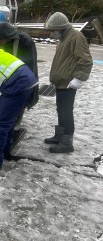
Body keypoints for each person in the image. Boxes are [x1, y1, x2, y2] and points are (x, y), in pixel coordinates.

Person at [43, 12, 93, 153]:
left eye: (52, 31)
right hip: (61, 81)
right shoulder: (64, 38)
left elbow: (85, 60)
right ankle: (60, 136)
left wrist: (78, 78)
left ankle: (67, 143)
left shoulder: (76, 37)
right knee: (61, 110)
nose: (51, 34)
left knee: (66, 112)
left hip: (69, 82)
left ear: (60, 28)